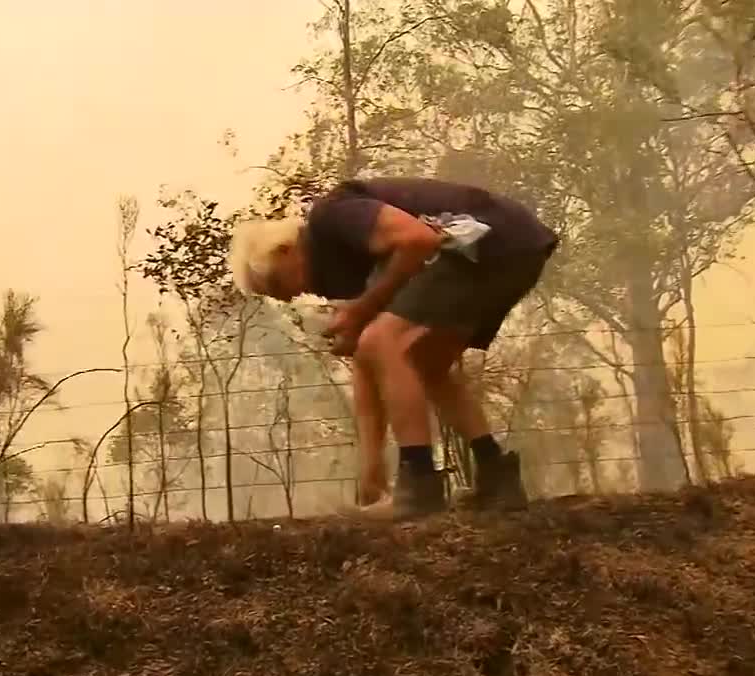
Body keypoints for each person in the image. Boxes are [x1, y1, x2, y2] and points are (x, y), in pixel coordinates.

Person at [228, 177, 559, 519]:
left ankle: (419, 486)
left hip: (491, 238)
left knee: (384, 339)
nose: (287, 297)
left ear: (285, 251)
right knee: (424, 367)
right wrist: (371, 462)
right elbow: (366, 361)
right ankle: (497, 475)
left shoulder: (332, 217)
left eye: (276, 285)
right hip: (509, 251)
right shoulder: (338, 273)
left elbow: (418, 239)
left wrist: (364, 310)